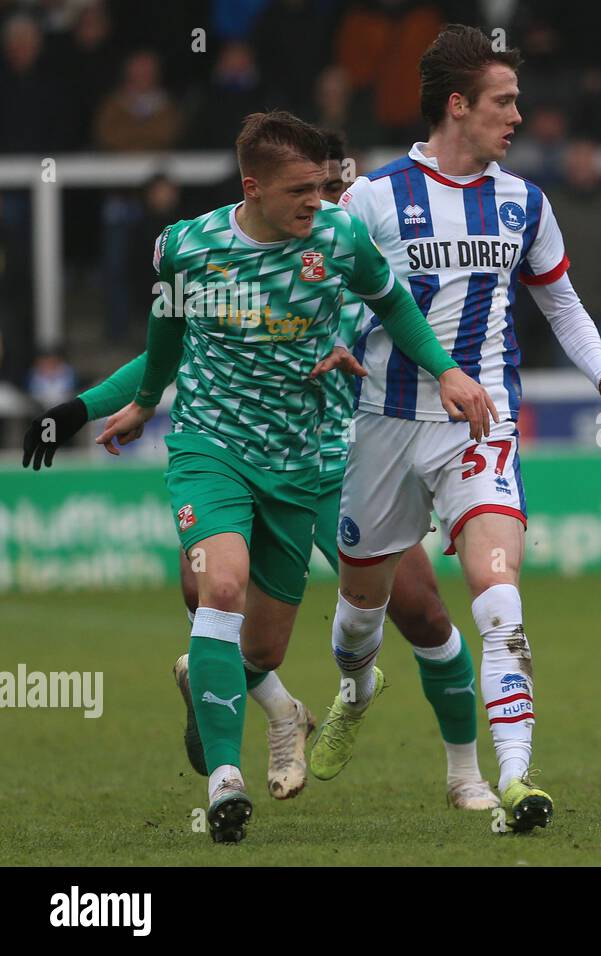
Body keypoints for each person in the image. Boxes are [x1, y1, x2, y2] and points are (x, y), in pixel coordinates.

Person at [23, 129, 503, 813]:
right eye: (310, 189)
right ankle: (249, 750)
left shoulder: (352, 244)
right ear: (260, 188)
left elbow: (404, 314)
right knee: (217, 589)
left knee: (420, 610)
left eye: (332, 187)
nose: (324, 202)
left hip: (339, 456)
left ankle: (461, 773)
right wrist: (98, 405)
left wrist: (442, 374)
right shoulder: (205, 251)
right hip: (227, 448)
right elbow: (172, 346)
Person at [313, 25, 601, 833]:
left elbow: (560, 300)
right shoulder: (372, 198)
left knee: (499, 601)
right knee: (361, 613)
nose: (518, 117)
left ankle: (516, 781)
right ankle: (357, 688)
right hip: (380, 427)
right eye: (504, 103)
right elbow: (329, 294)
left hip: (480, 426)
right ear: (458, 105)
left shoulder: (523, 202)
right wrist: (327, 342)